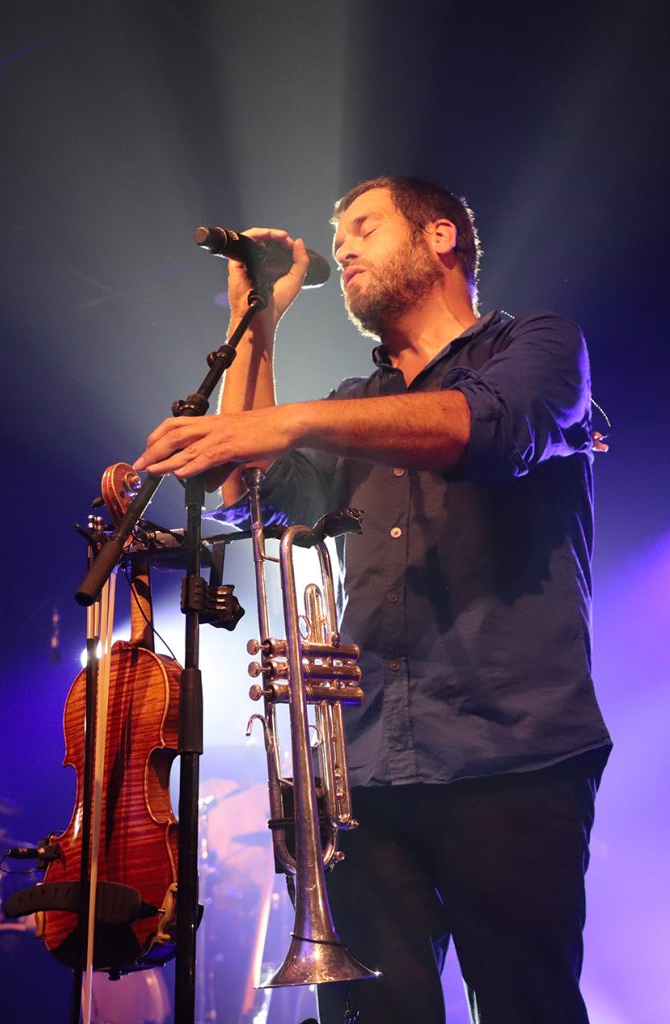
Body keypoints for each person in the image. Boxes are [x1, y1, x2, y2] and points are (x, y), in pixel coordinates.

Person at [134, 176, 612, 1023]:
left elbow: (493, 429)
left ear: (438, 237)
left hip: (512, 753)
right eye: (337, 234)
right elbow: (251, 491)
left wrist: (285, 423)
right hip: (362, 771)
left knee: (526, 1007)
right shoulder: (352, 407)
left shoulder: (536, 343)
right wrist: (257, 322)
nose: (343, 247)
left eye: (362, 226)